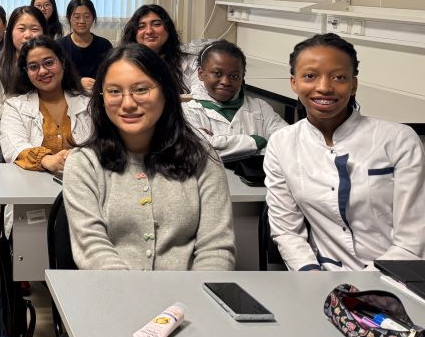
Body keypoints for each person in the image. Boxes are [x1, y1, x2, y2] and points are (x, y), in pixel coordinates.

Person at [63, 43, 235, 271]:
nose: (128, 103)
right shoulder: (84, 163)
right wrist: (133, 293)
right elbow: (93, 250)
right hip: (111, 289)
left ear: (165, 92)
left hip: (189, 292)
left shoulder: (201, 158)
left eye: (141, 89)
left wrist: (191, 293)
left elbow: (216, 248)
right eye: (114, 91)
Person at [265, 33, 425, 271]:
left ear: (354, 85)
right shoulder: (282, 143)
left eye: (339, 77)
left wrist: (365, 287)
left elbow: (411, 242)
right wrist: (311, 276)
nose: (324, 87)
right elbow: (287, 232)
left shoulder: (398, 139)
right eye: (310, 76)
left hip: (394, 277)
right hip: (322, 278)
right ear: (294, 83)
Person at [0, 36, 91, 175]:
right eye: (33, 67)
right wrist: (45, 159)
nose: (42, 71)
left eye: (48, 63)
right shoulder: (14, 106)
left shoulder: (88, 103)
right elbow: (14, 146)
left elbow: (101, 146)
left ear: (62, 62)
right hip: (32, 183)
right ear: (26, 72)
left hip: (84, 180)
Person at [183, 40, 287, 161]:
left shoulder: (260, 107)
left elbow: (287, 141)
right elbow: (202, 149)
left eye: (234, 76)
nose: (225, 82)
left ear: (242, 77)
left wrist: (220, 144)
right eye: (217, 73)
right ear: (201, 73)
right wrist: (255, 141)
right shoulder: (188, 111)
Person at [0, 5, 46, 119]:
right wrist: (28, 114)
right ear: (10, 33)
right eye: (21, 29)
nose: (28, 35)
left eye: (34, 29)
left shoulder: (52, 68)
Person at [120, 4, 194, 93]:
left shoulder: (191, 63)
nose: (149, 31)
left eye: (156, 24)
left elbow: (201, 98)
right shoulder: (122, 64)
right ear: (134, 33)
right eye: (141, 26)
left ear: (168, 29)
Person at [59, 0, 112, 92]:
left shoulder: (104, 45)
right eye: (77, 17)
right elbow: (56, 76)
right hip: (68, 93)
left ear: (93, 18)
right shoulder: (59, 46)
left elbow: (111, 73)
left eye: (87, 16)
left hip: (97, 93)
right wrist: (77, 82)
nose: (82, 21)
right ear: (68, 18)